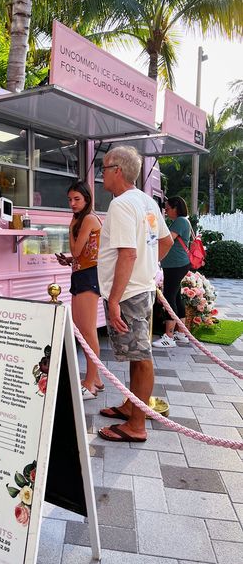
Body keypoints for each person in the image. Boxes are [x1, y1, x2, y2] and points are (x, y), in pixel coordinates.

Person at [96, 147, 173, 443]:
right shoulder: (146, 201)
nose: (101, 173)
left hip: (128, 292)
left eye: (104, 167)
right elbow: (164, 242)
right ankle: (132, 405)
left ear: (118, 170)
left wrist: (114, 299)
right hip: (139, 288)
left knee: (141, 357)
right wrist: (149, 269)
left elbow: (127, 254)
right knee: (137, 353)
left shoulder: (121, 204)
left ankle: (137, 425)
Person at [56, 181, 104, 399]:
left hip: (88, 277)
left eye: (77, 199)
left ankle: (90, 382)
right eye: (69, 200)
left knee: (87, 330)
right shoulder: (81, 219)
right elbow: (80, 255)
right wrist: (69, 260)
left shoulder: (88, 219)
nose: (72, 204)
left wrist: (70, 230)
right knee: (83, 329)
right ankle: (96, 379)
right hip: (81, 274)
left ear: (86, 199)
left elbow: (76, 250)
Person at [153, 196, 191, 347]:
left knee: (169, 297)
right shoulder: (182, 221)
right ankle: (181, 333)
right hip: (177, 264)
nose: (166, 211)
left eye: (167, 208)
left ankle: (168, 337)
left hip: (176, 265)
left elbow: (168, 239)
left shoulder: (181, 221)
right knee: (175, 297)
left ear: (176, 207)